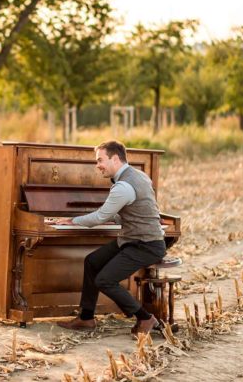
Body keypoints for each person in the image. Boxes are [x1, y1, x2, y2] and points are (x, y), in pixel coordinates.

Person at [51, 140, 166, 336]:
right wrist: (107, 217)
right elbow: (124, 211)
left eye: (100, 160)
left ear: (115, 158)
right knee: (92, 261)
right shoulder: (140, 175)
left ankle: (145, 318)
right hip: (132, 240)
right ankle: (86, 318)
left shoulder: (123, 186)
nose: (97, 166)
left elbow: (100, 217)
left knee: (104, 280)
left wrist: (72, 220)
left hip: (145, 245)